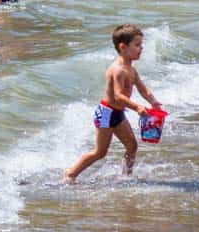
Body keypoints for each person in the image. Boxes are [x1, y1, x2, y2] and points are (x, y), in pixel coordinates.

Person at [64, 25, 161, 182]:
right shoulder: (117, 70)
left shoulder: (131, 69)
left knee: (132, 146)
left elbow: (143, 90)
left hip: (118, 114)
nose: (141, 48)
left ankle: (126, 176)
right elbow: (118, 96)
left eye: (141, 45)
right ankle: (70, 174)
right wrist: (137, 107)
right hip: (106, 114)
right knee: (100, 152)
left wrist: (154, 102)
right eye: (137, 45)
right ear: (123, 47)